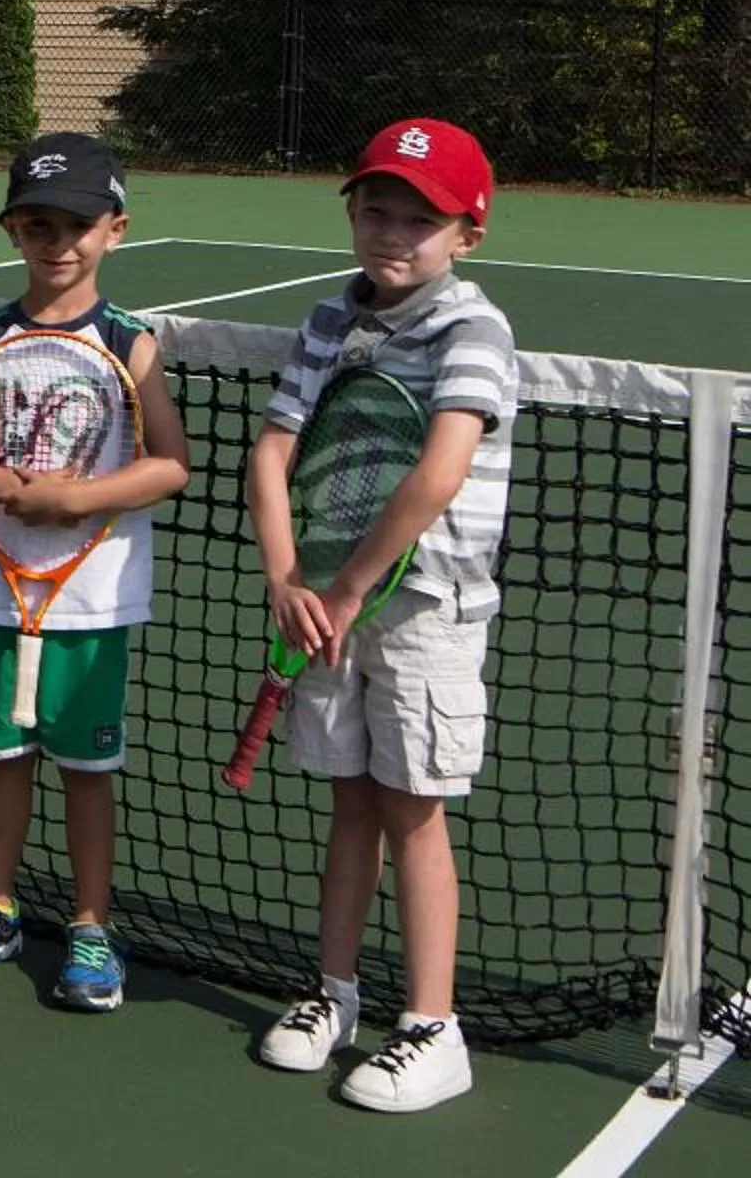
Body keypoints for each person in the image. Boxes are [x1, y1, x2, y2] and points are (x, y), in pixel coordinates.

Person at [249, 119, 513, 1113]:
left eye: (420, 216)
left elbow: (438, 472)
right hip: (326, 600)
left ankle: (434, 1026)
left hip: (423, 609)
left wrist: (351, 586)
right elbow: (274, 451)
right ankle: (336, 992)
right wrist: (287, 572)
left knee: (413, 811)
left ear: (466, 233)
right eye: (376, 207)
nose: (392, 229)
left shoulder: (471, 330)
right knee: (350, 801)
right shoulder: (327, 321)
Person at [0, 135, 191, 1009]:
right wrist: (0, 485)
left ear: (115, 229)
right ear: (13, 232)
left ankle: (92, 923)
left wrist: (80, 499)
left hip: (92, 596)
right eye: (37, 224)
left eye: (77, 224)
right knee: (1, 757)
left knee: (85, 768)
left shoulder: (128, 341)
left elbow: (170, 463)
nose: (57, 241)